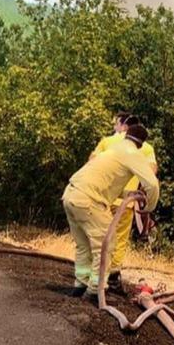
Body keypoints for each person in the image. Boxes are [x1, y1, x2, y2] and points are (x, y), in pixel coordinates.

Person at [62, 123, 160, 298]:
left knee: (84, 245)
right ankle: (95, 289)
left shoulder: (114, 149)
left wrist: (127, 193)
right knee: (107, 244)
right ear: (141, 143)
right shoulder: (133, 153)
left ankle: (80, 284)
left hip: (71, 194)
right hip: (88, 199)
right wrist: (149, 209)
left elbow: (106, 182)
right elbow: (152, 184)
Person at [90, 112, 157, 293]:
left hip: (102, 197)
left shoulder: (107, 142)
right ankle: (112, 277)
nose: (114, 128)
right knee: (119, 239)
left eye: (116, 124)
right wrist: (143, 200)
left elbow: (92, 162)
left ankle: (93, 275)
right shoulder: (146, 148)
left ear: (124, 126)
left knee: (98, 236)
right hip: (125, 202)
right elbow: (151, 172)